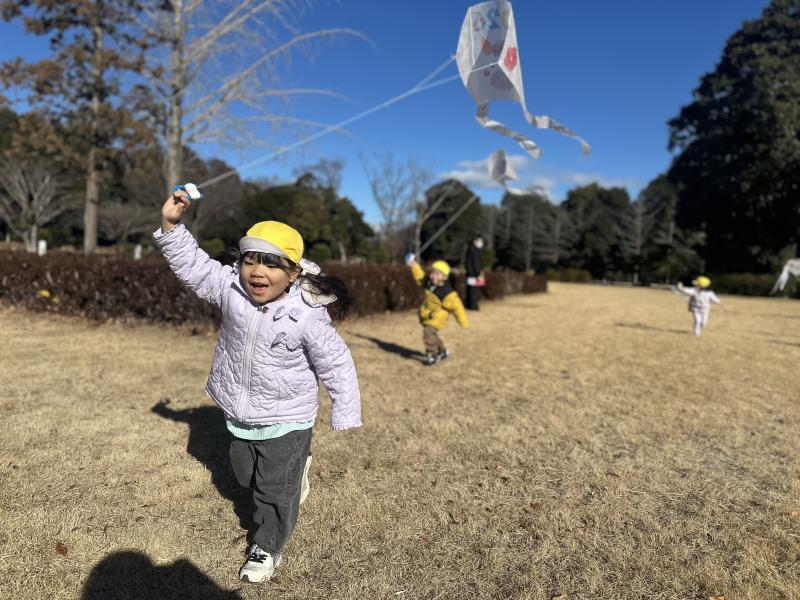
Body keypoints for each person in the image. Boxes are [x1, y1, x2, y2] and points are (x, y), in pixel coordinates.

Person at [154, 189, 362, 584]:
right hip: (241, 410)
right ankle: (294, 474)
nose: (257, 272)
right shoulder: (231, 288)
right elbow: (194, 267)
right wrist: (171, 224)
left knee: (271, 491)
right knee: (243, 473)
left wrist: (345, 410)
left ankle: (267, 546)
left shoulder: (306, 315)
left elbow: (336, 363)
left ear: (294, 272)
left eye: (271, 264)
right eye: (250, 260)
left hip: (288, 417)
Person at [407, 255, 469, 365]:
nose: (433, 276)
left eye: (437, 274)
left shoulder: (446, 292)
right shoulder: (428, 283)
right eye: (432, 273)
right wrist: (415, 265)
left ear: (444, 277)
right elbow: (420, 277)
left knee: (428, 333)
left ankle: (432, 354)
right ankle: (442, 351)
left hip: (439, 316)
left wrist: (463, 322)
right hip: (428, 314)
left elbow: (457, 307)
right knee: (432, 335)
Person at [465, 237, 485, 311]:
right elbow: (476, 264)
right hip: (473, 274)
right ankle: (473, 306)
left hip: (471, 274)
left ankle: (469, 304)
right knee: (473, 291)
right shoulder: (474, 251)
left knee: (470, 290)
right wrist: (478, 274)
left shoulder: (471, 249)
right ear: (474, 242)